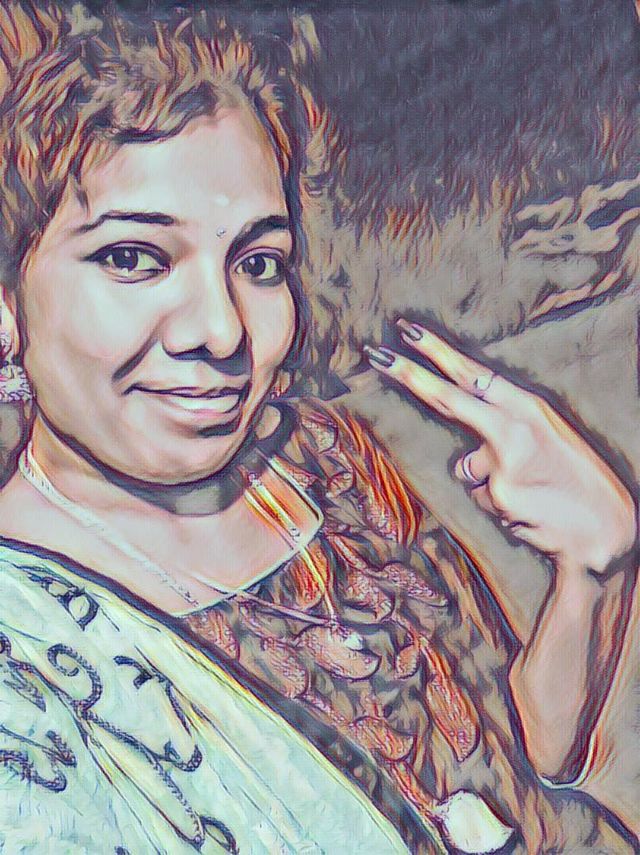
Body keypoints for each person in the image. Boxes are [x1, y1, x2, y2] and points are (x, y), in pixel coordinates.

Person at [0, 2, 635, 852]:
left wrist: (593, 572)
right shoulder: (24, 664)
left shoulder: (315, 456)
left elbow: (513, 768)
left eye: (258, 262)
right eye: (134, 258)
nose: (221, 330)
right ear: (8, 303)